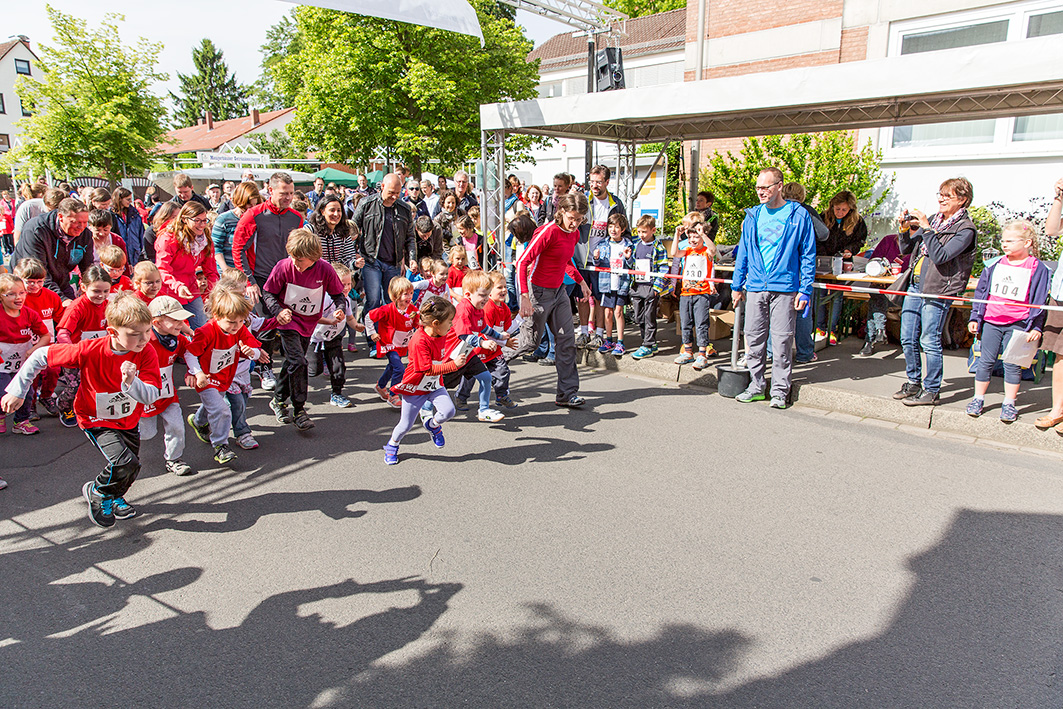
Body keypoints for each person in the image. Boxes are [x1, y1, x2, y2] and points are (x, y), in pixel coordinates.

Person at [3, 292, 161, 526]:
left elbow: (151, 394)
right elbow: (40, 355)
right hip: (95, 418)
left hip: (128, 419)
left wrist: (131, 382)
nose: (143, 339)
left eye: (147, 331)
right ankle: (99, 491)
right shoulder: (89, 349)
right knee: (123, 462)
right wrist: (18, 389)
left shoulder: (146, 352)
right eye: (135, 334)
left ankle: (115, 496)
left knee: (132, 466)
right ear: (113, 332)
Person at [732, 167, 817, 409]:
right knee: (754, 338)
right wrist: (737, 285)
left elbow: (808, 254)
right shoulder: (753, 216)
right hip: (756, 285)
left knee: (781, 342)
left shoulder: (798, 215)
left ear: (779, 186)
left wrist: (805, 289)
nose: (761, 192)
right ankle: (757, 386)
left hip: (785, 286)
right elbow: (744, 253)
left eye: (766, 187)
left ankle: (780, 391)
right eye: (758, 187)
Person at [894, 177, 978, 407]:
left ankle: (931, 390)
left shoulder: (965, 229)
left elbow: (940, 256)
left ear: (962, 200)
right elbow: (907, 249)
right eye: (939, 194)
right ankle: (913, 382)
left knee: (929, 339)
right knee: (907, 337)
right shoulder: (933, 220)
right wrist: (903, 230)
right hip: (915, 283)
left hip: (939, 288)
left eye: (947, 195)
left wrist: (928, 229)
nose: (941, 199)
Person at [261, 228, 347, 430]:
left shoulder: (325, 269)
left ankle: (279, 400)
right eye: (292, 257)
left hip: (309, 323)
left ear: (313, 257)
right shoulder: (283, 267)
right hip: (288, 321)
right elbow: (268, 293)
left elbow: (338, 295)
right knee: (299, 361)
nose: (295, 263)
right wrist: (278, 311)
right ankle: (299, 410)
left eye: (299, 260)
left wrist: (341, 310)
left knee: (293, 362)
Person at [512, 192, 593, 407]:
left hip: (559, 292)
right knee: (530, 342)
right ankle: (490, 360)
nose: (575, 224)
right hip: (537, 292)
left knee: (566, 342)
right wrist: (525, 297)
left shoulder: (573, 234)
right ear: (562, 212)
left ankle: (567, 394)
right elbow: (522, 262)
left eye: (580, 219)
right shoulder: (548, 232)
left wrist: (581, 282)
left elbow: (566, 260)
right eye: (572, 218)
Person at [965, 220, 1049, 423]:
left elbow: (1040, 299)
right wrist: (976, 316)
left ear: (1027, 242)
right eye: (1003, 241)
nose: (1005, 245)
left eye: (1010, 241)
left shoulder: (1039, 268)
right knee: (985, 361)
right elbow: (981, 292)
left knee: (1012, 364)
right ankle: (978, 399)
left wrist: (1036, 326)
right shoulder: (994, 264)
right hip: (992, 320)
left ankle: (1009, 404)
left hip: (1019, 323)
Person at [232, 172, 303, 390]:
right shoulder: (254, 215)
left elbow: (297, 248)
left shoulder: (296, 217)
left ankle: (293, 366)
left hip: (286, 277)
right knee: (267, 324)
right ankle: (264, 367)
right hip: (261, 277)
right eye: (283, 193)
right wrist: (249, 281)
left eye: (290, 193)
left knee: (290, 321)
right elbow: (238, 248)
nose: (288, 198)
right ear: (270, 191)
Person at [184, 286, 266, 466]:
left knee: (214, 406)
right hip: (207, 379)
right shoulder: (206, 331)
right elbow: (190, 353)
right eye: (231, 322)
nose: (236, 326)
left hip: (225, 377)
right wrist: (197, 373)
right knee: (222, 410)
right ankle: (221, 446)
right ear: (217, 315)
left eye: (240, 322)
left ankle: (198, 421)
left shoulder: (239, 329)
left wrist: (251, 352)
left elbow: (255, 350)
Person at [383, 296, 465, 465]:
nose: (451, 325)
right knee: (405, 425)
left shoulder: (441, 332)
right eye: (449, 321)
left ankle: (432, 425)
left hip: (434, 384)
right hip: (415, 387)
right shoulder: (419, 341)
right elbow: (426, 368)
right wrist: (453, 365)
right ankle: (392, 445)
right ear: (435, 323)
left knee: (449, 411)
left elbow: (459, 337)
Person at [353, 174, 417, 339]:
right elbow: (352, 229)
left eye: (398, 192)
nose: (394, 196)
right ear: (381, 187)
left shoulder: (404, 208)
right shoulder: (366, 204)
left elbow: (410, 236)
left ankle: (389, 338)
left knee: (391, 302)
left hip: (393, 262)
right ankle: (373, 340)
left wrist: (412, 258)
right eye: (391, 192)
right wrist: (354, 254)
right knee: (373, 301)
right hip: (371, 260)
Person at [139, 295, 196, 476]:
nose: (181, 323)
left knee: (176, 426)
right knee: (146, 434)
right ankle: (126, 452)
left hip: (168, 393)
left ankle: (174, 459)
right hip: (145, 395)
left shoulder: (178, 339)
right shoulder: (144, 341)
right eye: (175, 320)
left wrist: (193, 371)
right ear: (156, 322)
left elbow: (190, 352)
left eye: (181, 319)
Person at [575, 165, 627, 350]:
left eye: (598, 182)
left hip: (603, 261)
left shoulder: (616, 203)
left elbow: (624, 230)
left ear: (606, 182)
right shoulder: (583, 200)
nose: (594, 186)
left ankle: (598, 334)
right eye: (592, 182)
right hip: (582, 257)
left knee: (599, 299)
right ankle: (582, 332)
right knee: (581, 298)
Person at [450, 269, 513, 422]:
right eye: (483, 295)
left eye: (487, 294)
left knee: (485, 377)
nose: (486, 299)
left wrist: (499, 336)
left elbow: (484, 327)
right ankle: (424, 403)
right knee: (443, 383)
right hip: (452, 354)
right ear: (467, 295)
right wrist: (483, 342)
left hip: (468, 353)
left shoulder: (478, 308)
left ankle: (484, 410)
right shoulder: (463, 309)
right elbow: (464, 335)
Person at [11, 198, 94, 303]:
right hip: (30, 286)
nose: (81, 227)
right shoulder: (36, 231)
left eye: (85, 222)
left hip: (61, 281)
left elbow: (88, 267)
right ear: (60, 217)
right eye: (75, 222)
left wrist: (92, 288)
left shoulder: (85, 234)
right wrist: (62, 299)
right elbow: (39, 272)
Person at [815, 190, 869, 346]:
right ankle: (819, 328)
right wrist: (824, 255)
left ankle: (832, 329)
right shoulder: (823, 217)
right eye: (837, 209)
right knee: (820, 293)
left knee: (837, 296)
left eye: (844, 210)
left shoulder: (857, 222)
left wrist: (850, 250)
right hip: (823, 261)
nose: (839, 212)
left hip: (843, 263)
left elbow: (860, 241)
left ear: (850, 209)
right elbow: (817, 239)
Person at [308, 262, 364, 409]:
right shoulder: (324, 298)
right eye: (342, 284)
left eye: (349, 283)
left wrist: (357, 326)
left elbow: (350, 318)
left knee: (339, 366)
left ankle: (337, 393)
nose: (346, 288)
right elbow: (312, 317)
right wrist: (330, 320)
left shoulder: (347, 299)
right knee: (314, 370)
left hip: (334, 337)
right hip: (315, 338)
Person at [0, 273, 51, 435]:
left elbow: (46, 336)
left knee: (26, 392)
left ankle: (21, 421)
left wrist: (34, 349)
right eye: (11, 294)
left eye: (22, 293)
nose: (18, 297)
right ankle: (1, 415)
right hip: (2, 364)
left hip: (21, 361)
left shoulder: (29, 314)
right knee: (3, 391)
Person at [155, 202, 219, 329]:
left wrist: (215, 291)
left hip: (191, 290)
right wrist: (177, 286)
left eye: (204, 220)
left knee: (201, 327)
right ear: (184, 219)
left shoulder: (204, 240)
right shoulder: (168, 239)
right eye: (197, 221)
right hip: (170, 291)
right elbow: (162, 269)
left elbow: (211, 270)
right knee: (173, 329)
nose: (201, 225)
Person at [17, 257, 64, 417]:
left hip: (48, 344)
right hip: (25, 346)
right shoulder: (18, 299)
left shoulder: (51, 296)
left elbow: (61, 319)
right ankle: (29, 405)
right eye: (30, 281)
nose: (35, 286)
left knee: (54, 370)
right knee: (32, 375)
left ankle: (46, 396)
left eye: (39, 281)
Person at [365, 276, 419, 409]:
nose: (409, 296)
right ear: (396, 295)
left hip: (402, 343)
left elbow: (418, 322)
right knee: (399, 368)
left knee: (392, 366)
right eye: (406, 293)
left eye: (411, 293)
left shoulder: (412, 310)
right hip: (389, 343)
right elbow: (368, 317)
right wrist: (372, 333)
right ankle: (393, 394)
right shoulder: (387, 309)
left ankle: (380, 385)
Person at [672, 219, 719, 370]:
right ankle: (687, 351)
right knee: (685, 323)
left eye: (696, 236)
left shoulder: (706, 251)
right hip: (686, 292)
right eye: (691, 236)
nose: (693, 240)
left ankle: (702, 354)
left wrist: (703, 235)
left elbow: (713, 250)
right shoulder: (687, 251)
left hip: (702, 293)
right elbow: (674, 253)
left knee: (701, 324)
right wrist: (677, 235)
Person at [1037, 176, 1063, 432]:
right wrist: (1058, 198)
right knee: (1060, 353)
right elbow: (1052, 230)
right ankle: (1057, 410)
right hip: (1062, 293)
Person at [591, 213, 635, 357]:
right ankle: (608, 339)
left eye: (616, 227)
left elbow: (631, 264)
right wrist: (596, 258)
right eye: (610, 227)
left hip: (621, 283)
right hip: (606, 283)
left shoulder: (628, 244)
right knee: (608, 313)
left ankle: (620, 342)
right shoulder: (603, 244)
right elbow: (597, 263)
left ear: (623, 229)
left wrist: (628, 258)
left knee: (618, 312)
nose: (613, 230)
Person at [628, 215, 669, 361]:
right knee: (639, 316)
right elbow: (631, 264)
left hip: (651, 286)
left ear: (653, 230)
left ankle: (648, 343)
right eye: (639, 232)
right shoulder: (635, 244)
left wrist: (657, 287)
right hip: (637, 285)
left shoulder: (658, 247)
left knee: (649, 316)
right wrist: (628, 258)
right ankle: (649, 341)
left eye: (644, 232)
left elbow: (664, 268)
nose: (641, 235)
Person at [211, 181, 262, 270]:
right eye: (249, 204)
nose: (252, 208)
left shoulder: (258, 219)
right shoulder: (224, 219)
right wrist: (225, 269)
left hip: (252, 271)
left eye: (255, 204)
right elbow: (216, 247)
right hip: (229, 271)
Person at [310, 194, 362, 270]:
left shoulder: (344, 232)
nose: (336, 214)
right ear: (322, 211)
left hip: (337, 277)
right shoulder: (311, 231)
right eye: (332, 210)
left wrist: (355, 264)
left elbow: (348, 258)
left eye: (339, 210)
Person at [111, 187, 145, 265]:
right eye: (128, 199)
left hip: (135, 250)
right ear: (119, 199)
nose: (130, 201)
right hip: (120, 251)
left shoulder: (134, 214)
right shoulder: (112, 215)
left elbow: (141, 232)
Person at [1, 189, 15, 256]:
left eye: (6, 194)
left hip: (11, 217)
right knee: (4, 241)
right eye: (4, 195)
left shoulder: (13, 201)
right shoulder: (2, 202)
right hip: (3, 229)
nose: (5, 196)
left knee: (10, 240)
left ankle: (12, 250)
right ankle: (7, 251)